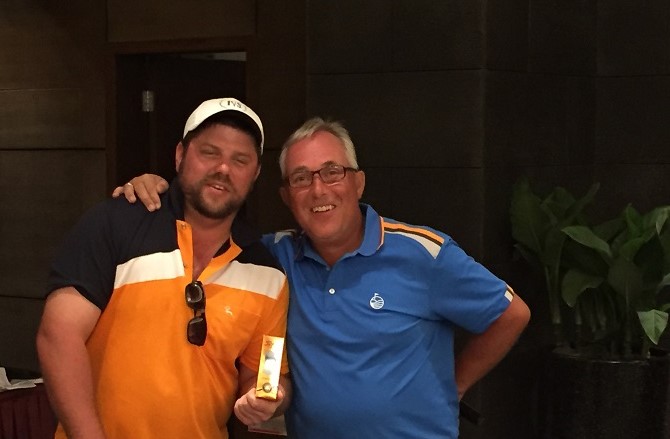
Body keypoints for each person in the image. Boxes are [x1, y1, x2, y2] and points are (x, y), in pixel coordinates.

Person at [115, 117, 531, 438]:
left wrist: (453, 387)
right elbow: (206, 230)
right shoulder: (272, 260)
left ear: (358, 182)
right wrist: (159, 193)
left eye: (332, 172)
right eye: (301, 178)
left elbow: (511, 314)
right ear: (286, 196)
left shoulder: (423, 253)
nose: (318, 190)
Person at [36, 98, 292, 439]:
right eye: (209, 153)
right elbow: (58, 335)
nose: (223, 169)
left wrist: (267, 395)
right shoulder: (116, 223)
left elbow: (266, 372)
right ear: (180, 155)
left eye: (240, 160)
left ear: (255, 174)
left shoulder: (268, 274)